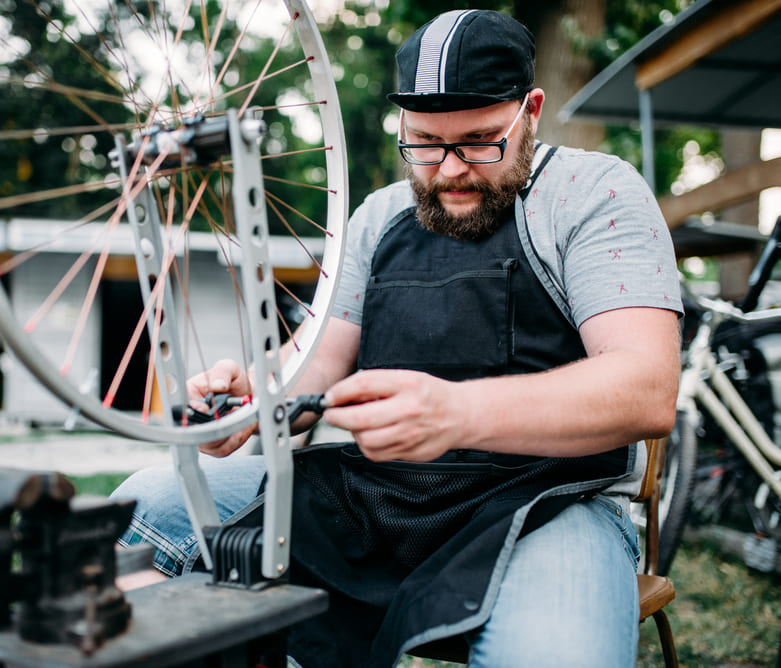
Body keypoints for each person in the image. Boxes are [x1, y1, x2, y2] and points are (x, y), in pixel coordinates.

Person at [112, 8, 682, 667]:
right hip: (380, 500)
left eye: (479, 141)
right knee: (142, 507)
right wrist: (251, 396)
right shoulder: (380, 215)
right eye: (422, 142)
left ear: (531, 109)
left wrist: (457, 413)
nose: (448, 170)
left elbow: (645, 388)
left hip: (546, 506)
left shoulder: (592, 191)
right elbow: (317, 362)